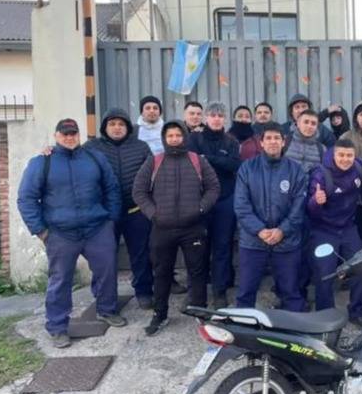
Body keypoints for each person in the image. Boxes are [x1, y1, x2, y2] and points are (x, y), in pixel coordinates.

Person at [17, 118, 125, 348]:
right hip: (60, 233)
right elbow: (26, 199)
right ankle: (57, 327)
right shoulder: (41, 163)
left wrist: (111, 219)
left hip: (97, 228)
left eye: (73, 133)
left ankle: (107, 310)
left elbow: (111, 188)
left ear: (79, 135)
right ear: (56, 136)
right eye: (65, 133)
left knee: (107, 272)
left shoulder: (94, 158)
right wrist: (41, 231)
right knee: (60, 280)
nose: (69, 137)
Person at [132, 121, 220, 336]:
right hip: (162, 229)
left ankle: (199, 312)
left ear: (184, 137)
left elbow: (213, 187)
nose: (174, 139)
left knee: (197, 272)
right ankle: (160, 314)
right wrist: (154, 214)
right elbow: (139, 192)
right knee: (161, 273)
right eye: (169, 136)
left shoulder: (197, 161)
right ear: (165, 138)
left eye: (177, 135)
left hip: (193, 227)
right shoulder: (154, 161)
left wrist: (200, 209)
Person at [234, 122, 308, 311]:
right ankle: (243, 332)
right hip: (253, 241)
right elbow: (241, 206)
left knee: (291, 291)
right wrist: (259, 230)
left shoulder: (295, 170)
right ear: (262, 142)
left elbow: (299, 208)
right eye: (269, 138)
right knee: (246, 292)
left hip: (287, 241)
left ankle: (293, 331)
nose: (273, 142)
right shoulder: (247, 169)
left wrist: (282, 231)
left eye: (277, 138)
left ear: (284, 142)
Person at [85, 107, 154, 309]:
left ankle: (143, 291)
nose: (117, 128)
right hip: (105, 214)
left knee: (141, 254)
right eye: (112, 124)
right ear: (105, 127)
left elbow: (152, 176)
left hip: (136, 211)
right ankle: (103, 295)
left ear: (128, 127)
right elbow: (71, 160)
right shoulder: (91, 147)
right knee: (104, 257)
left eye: (121, 124)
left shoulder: (141, 147)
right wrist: (50, 150)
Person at [307, 139, 362, 325]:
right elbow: (310, 209)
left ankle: (357, 311)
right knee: (325, 273)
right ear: (334, 154)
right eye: (341, 155)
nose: (345, 159)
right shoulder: (321, 175)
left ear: (354, 156)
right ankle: (325, 315)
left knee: (361, 267)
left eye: (349, 156)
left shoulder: (360, 167)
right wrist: (316, 201)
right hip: (324, 230)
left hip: (348, 228)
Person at [187, 102, 241, 308]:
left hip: (225, 200)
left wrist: (207, 158)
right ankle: (196, 293)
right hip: (199, 200)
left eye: (220, 115)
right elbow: (192, 163)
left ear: (225, 119)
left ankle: (219, 291)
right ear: (206, 118)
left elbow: (234, 165)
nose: (217, 118)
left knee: (222, 247)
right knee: (198, 248)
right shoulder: (194, 139)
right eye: (213, 115)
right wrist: (218, 160)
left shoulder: (231, 141)